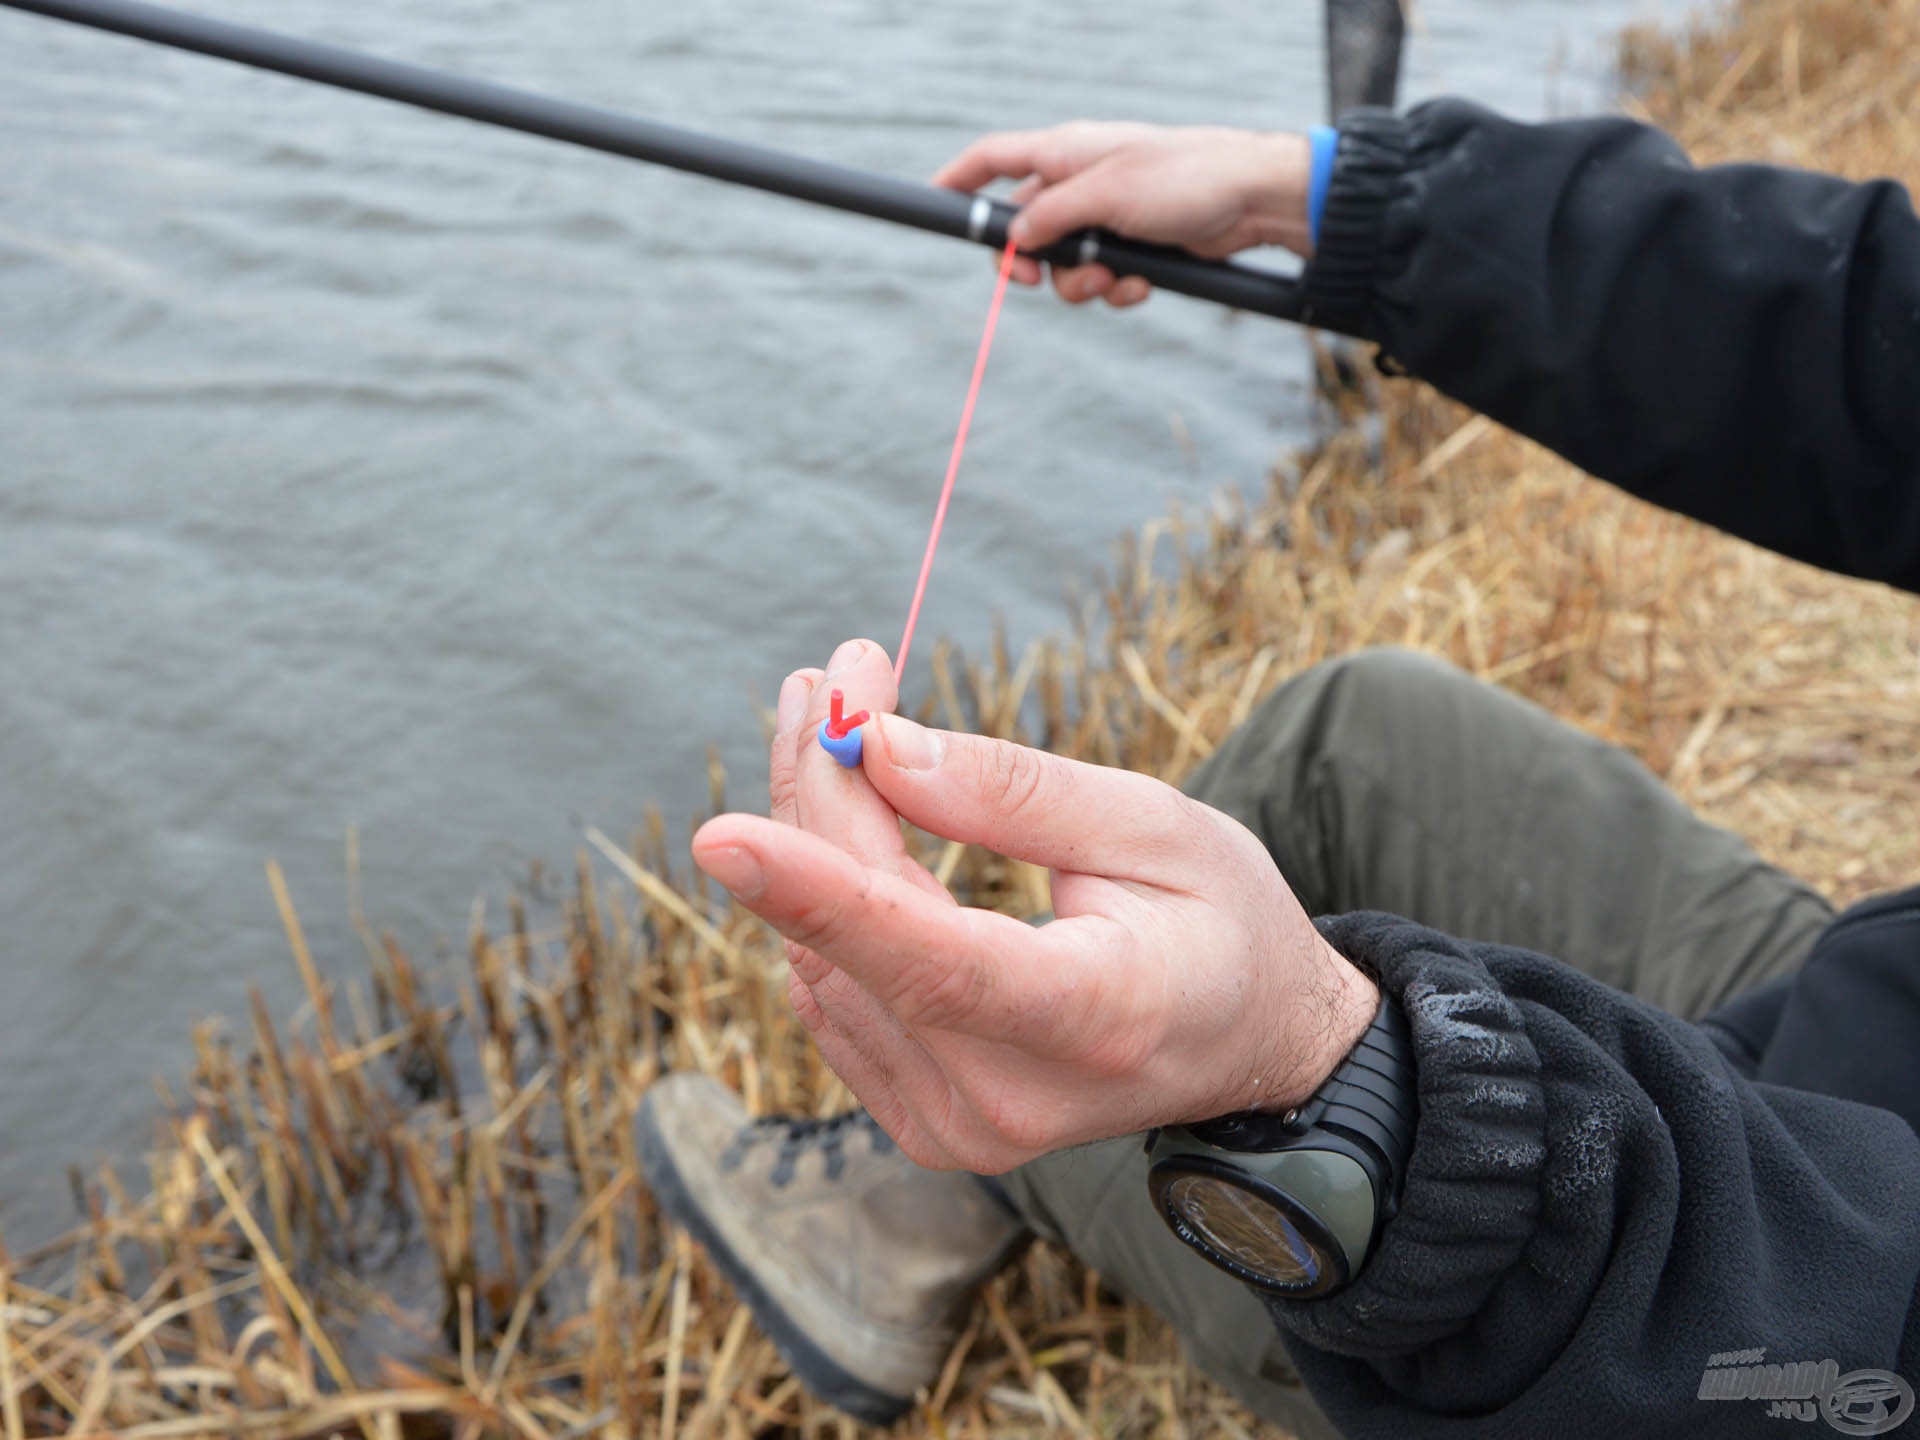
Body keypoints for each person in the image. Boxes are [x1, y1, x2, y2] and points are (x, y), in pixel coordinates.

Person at [635, 100, 1920, 1438]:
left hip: (1816, 1267)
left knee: (1138, 1054)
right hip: (1871, 1010)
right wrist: (1340, 202)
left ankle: (993, 1177)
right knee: (1355, 738)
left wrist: (1373, 1107)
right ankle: (928, 1213)